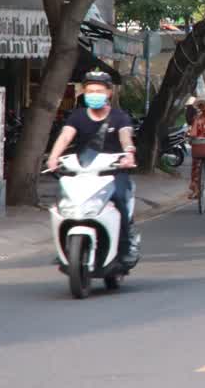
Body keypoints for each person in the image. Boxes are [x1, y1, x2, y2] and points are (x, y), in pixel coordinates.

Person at [47, 70, 138, 264]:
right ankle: (64, 248)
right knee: (63, 202)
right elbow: (65, 137)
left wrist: (128, 153)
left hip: (113, 172)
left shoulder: (119, 117)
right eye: (89, 91)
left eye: (98, 90)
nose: (94, 94)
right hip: (83, 172)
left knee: (120, 198)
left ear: (109, 93)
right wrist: (54, 157)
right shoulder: (77, 117)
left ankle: (125, 245)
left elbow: (125, 136)